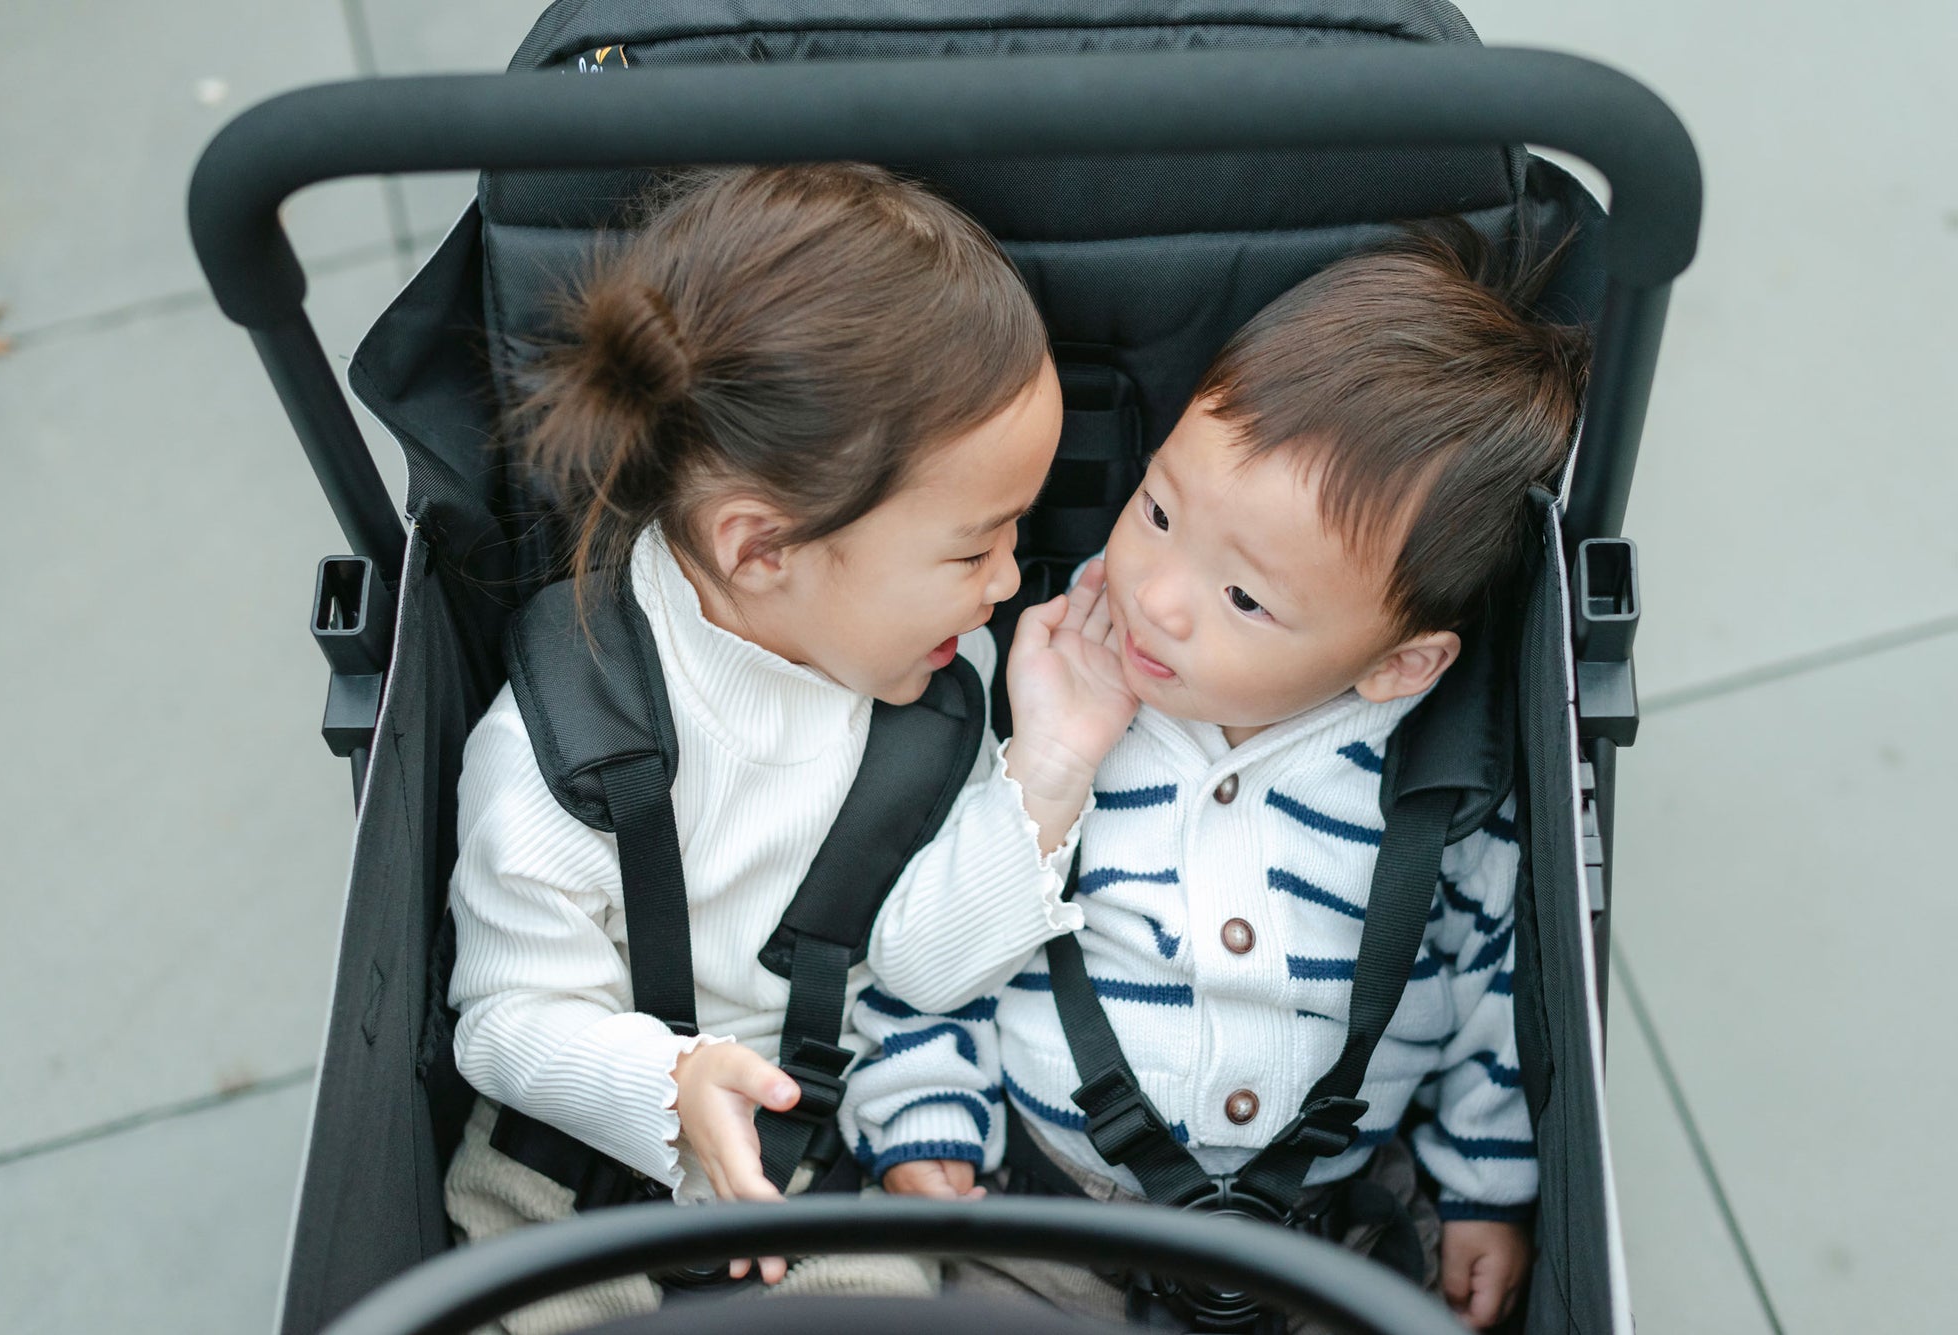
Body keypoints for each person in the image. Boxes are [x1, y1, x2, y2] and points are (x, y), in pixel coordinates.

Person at [851, 219, 1591, 1331]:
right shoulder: (1043, 690)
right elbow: (916, 947)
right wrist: (921, 1117)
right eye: (1155, 510)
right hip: (1043, 1208)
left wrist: (1485, 1187)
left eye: (1243, 600)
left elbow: (1499, 995)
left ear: (1395, 665)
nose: (1156, 593)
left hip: (1329, 1222)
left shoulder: (1437, 794)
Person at [442, 163, 1137, 1333]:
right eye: (975, 550)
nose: (1013, 580)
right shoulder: (573, 735)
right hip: (565, 1179)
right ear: (761, 550)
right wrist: (662, 1086)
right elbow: (504, 1020)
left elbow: (918, 966)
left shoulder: (934, 692)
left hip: (811, 1171)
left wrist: (1050, 765)